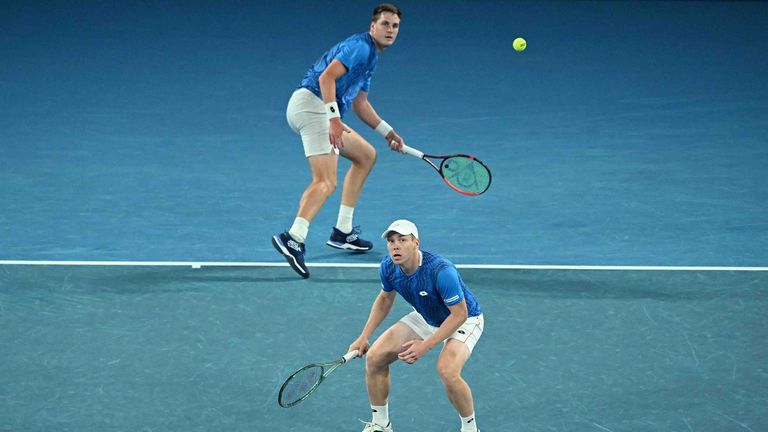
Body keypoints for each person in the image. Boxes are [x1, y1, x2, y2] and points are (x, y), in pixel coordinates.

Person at [272, 4, 405, 279]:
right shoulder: (360, 47)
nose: (390, 30)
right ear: (373, 27)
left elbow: (360, 103)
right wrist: (333, 118)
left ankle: (343, 231)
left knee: (366, 156)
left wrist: (387, 132)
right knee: (326, 181)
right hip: (312, 105)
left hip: (318, 108)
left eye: (395, 26)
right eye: (385, 24)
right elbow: (326, 77)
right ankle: (293, 238)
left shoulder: (371, 58)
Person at [348, 220, 484, 432]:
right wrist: (364, 336)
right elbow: (385, 299)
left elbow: (459, 314)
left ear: (416, 243)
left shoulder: (441, 270)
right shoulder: (388, 267)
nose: (395, 245)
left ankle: (470, 428)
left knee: (447, 370)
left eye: (402, 240)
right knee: (375, 358)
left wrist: (426, 345)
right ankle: (381, 424)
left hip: (464, 319)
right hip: (427, 315)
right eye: (391, 241)